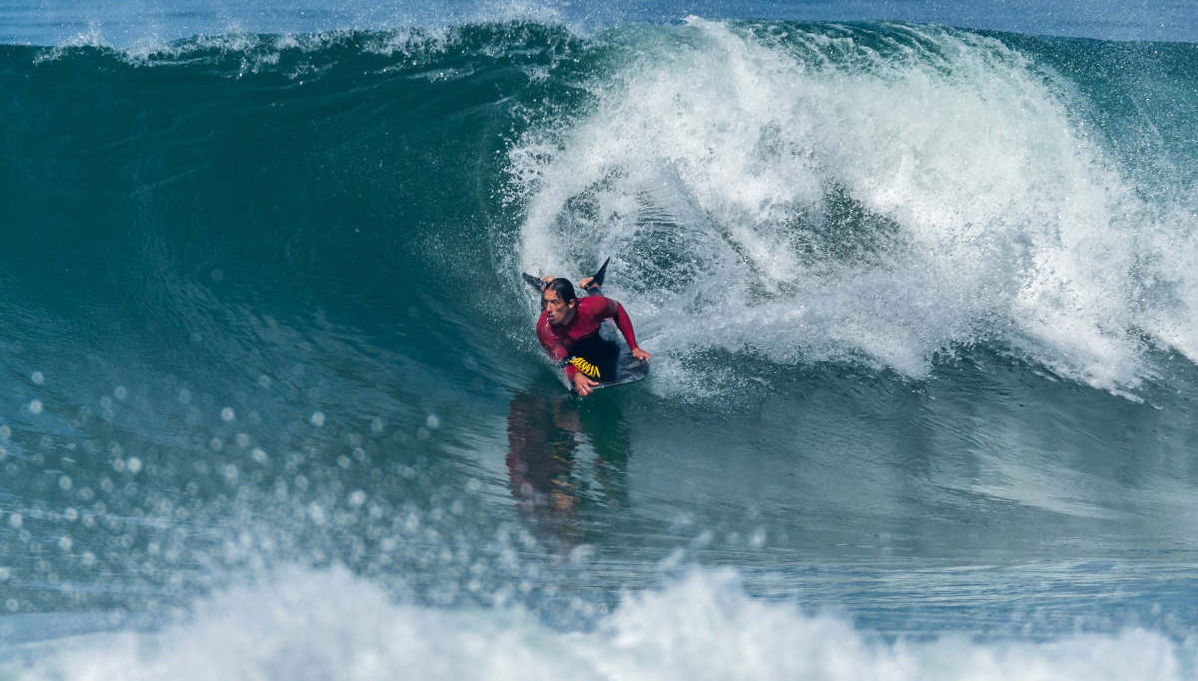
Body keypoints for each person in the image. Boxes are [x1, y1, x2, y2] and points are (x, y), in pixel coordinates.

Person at [536, 276, 650, 396]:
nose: (549, 308)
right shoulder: (545, 329)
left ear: (571, 303)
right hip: (569, 347)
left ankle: (591, 285)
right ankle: (545, 285)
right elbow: (562, 361)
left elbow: (617, 310)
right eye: (547, 301)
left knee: (609, 326)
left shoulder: (591, 307)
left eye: (555, 302)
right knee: (545, 312)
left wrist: (634, 347)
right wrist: (575, 374)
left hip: (594, 334)